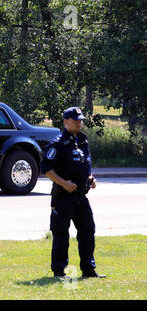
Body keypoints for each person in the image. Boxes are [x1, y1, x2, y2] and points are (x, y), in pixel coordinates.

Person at [40, 107, 106, 279]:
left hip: (80, 196)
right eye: (75, 120)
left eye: (80, 120)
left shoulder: (83, 140)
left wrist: (90, 178)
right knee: (61, 234)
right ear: (65, 121)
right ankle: (59, 271)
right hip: (63, 196)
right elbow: (46, 169)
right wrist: (64, 183)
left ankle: (89, 270)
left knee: (88, 231)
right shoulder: (58, 143)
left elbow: (85, 165)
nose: (79, 122)